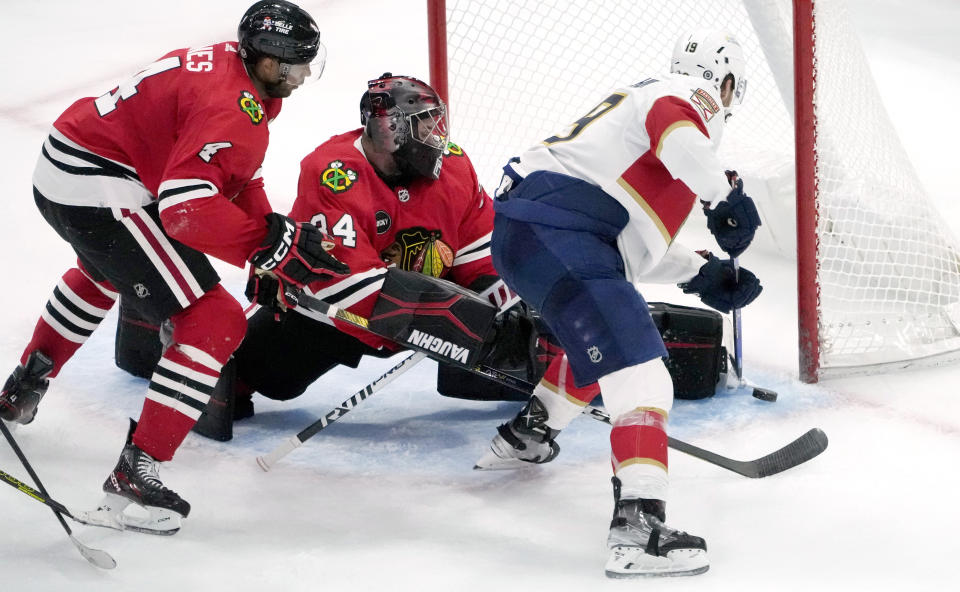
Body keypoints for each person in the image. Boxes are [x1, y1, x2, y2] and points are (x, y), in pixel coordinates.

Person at [0, 0, 349, 534]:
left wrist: (266, 238)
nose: (304, 74)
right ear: (267, 60)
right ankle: (138, 472)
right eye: (297, 63)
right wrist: (265, 246)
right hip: (98, 186)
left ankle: (23, 387)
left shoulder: (235, 73)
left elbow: (233, 176)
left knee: (109, 269)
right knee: (215, 319)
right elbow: (186, 212)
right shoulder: (233, 107)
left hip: (67, 163)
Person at [476, 29, 764, 577]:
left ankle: (526, 435)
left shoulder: (648, 144)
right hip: (560, 230)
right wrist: (722, 197)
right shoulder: (685, 96)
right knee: (643, 375)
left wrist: (700, 271)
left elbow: (635, 241)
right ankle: (638, 529)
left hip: (540, 233)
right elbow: (675, 121)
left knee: (602, 351)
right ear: (725, 83)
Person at [192, 72, 533, 440]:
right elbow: (348, 285)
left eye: (436, 124)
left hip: (423, 303)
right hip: (332, 316)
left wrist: (508, 316)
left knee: (522, 337)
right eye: (423, 127)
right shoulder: (334, 173)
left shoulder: (453, 165)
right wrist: (465, 325)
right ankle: (170, 339)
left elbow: (480, 252)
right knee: (273, 380)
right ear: (390, 130)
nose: (436, 138)